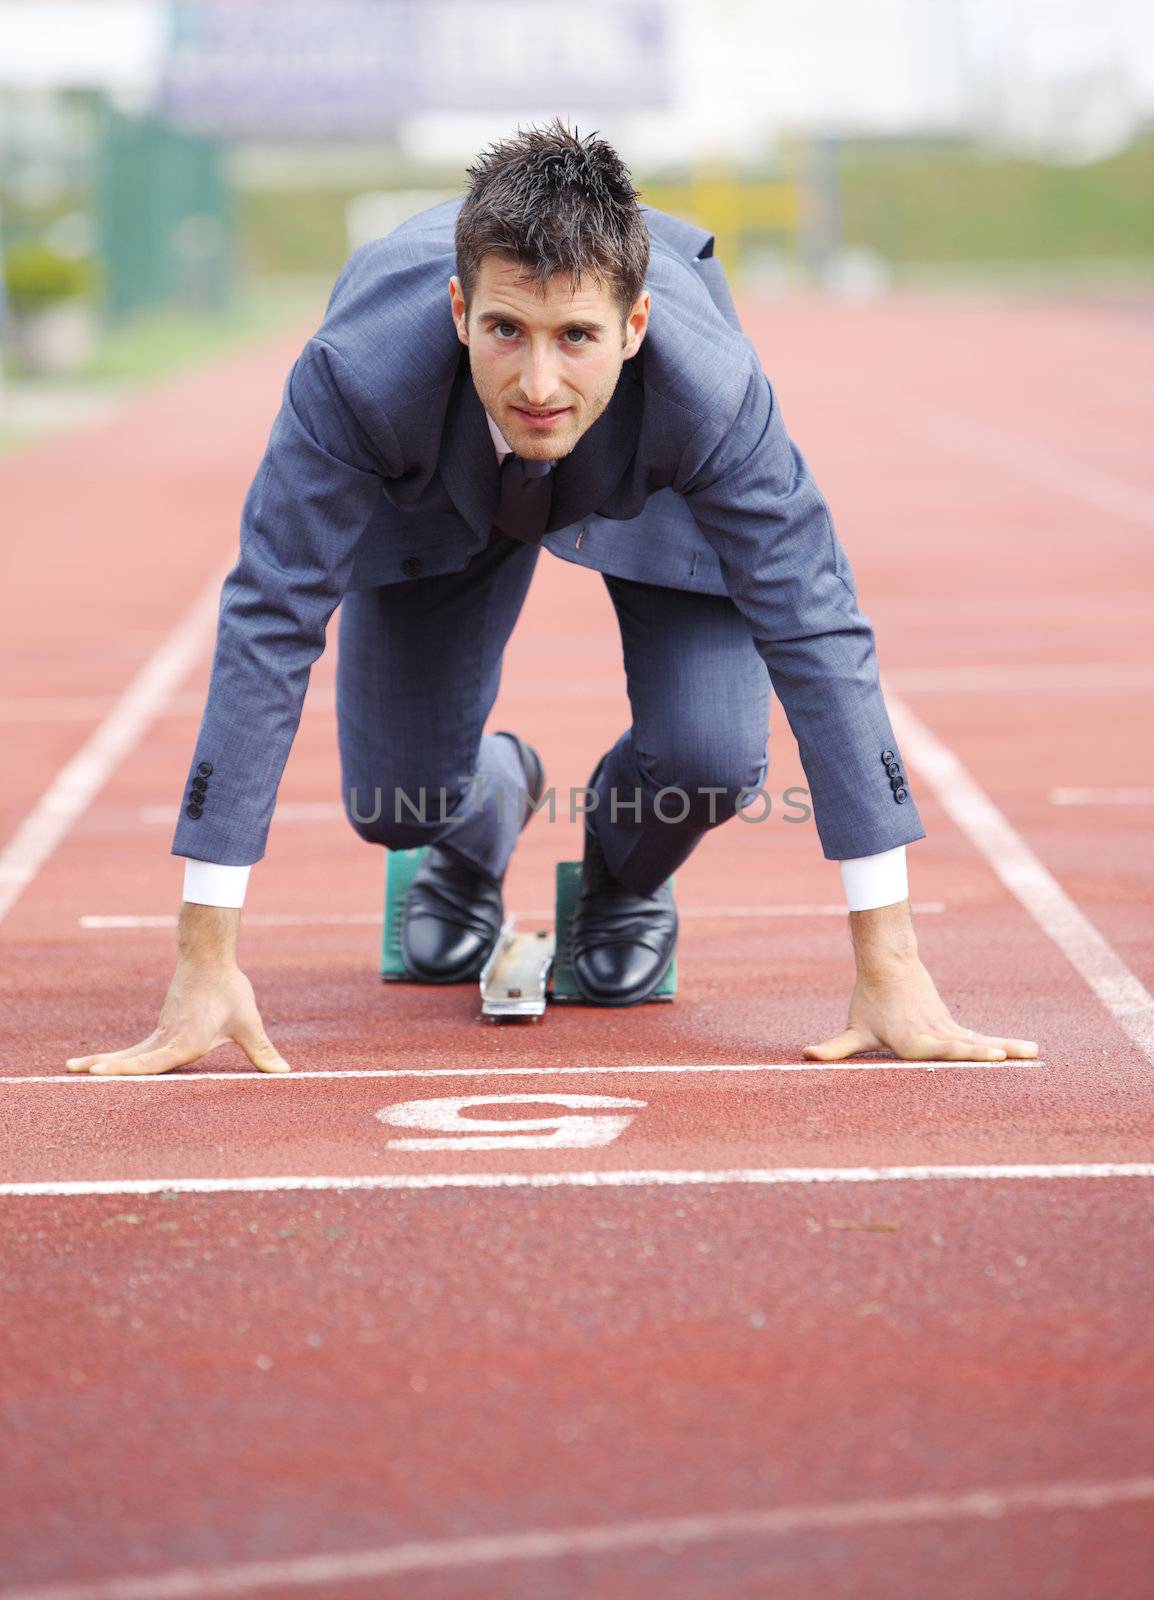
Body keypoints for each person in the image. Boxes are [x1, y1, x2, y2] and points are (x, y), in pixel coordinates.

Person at [66, 120, 1036, 1077]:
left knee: (707, 755)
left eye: (575, 335)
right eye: (505, 331)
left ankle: (620, 875)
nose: (537, 381)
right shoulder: (355, 378)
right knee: (393, 802)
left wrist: (890, 963)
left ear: (635, 325)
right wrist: (204, 957)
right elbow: (267, 619)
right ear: (457, 311)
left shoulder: (710, 392)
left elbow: (815, 623)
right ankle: (486, 798)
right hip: (434, 471)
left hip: (642, 469)